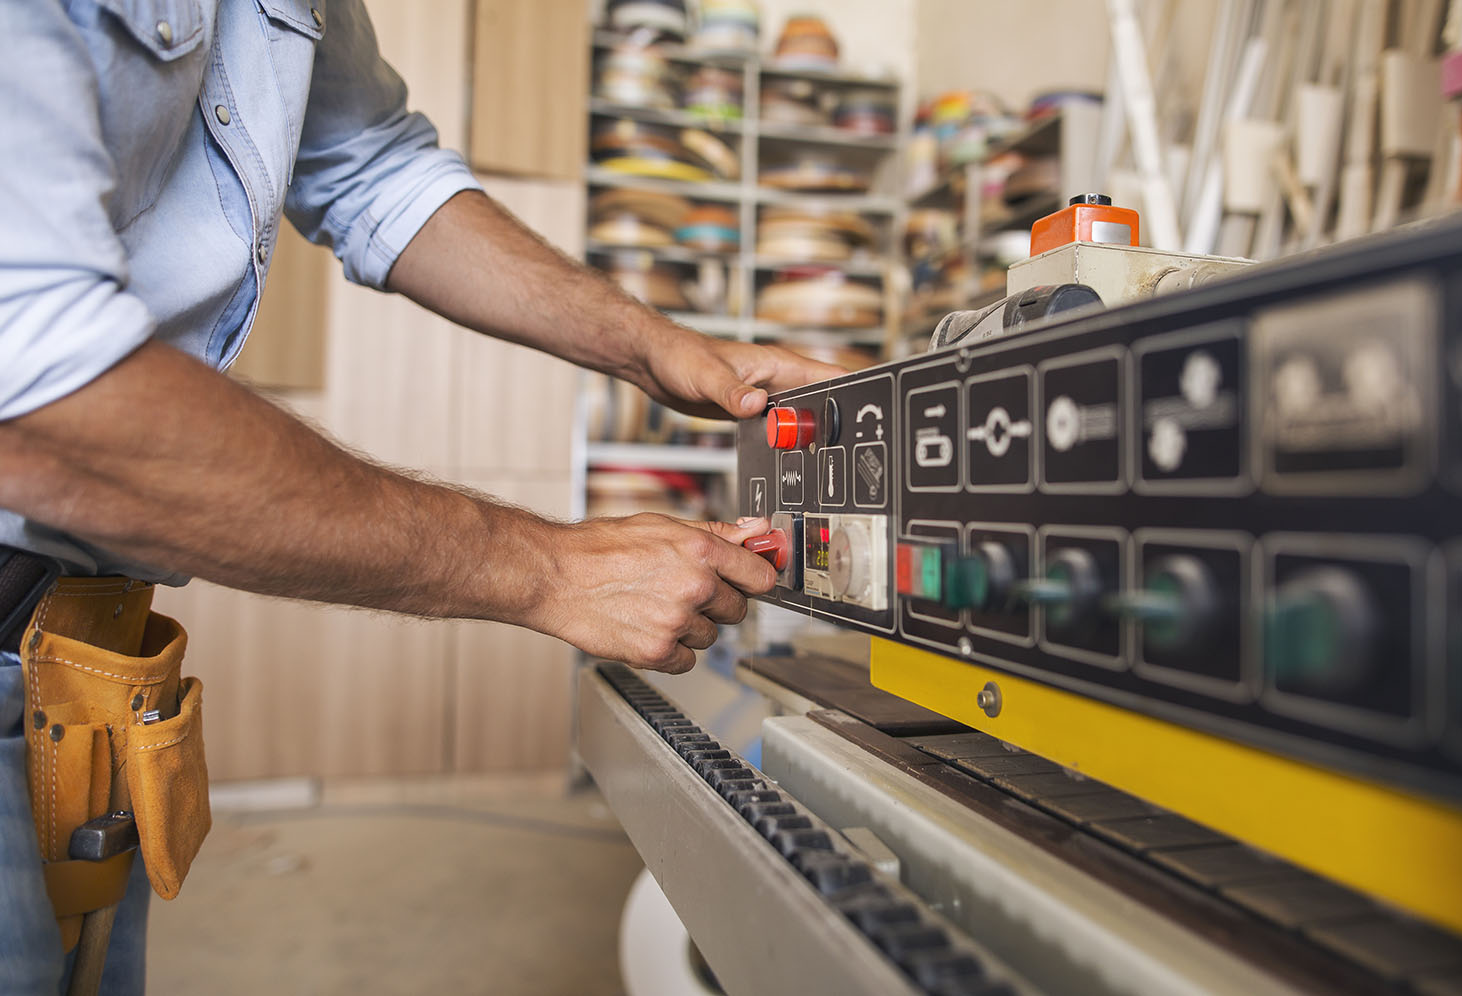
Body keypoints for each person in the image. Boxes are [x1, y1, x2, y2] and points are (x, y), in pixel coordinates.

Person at [0, 1, 842, 991]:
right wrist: (548, 568)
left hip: (67, 661)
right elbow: (40, 393)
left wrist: (654, 343)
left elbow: (373, 169)